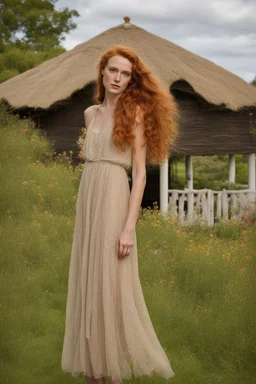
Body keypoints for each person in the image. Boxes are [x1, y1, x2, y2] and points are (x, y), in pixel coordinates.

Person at [61, 45, 179, 384]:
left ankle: (113, 374)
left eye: (125, 73)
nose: (118, 77)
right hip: (89, 198)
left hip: (114, 197)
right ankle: (93, 372)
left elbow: (140, 174)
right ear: (102, 72)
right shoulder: (89, 114)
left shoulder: (136, 113)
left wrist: (129, 228)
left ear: (131, 79)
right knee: (89, 284)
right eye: (113, 70)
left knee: (110, 286)